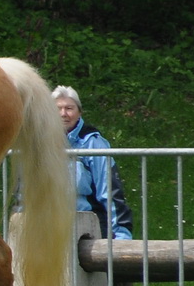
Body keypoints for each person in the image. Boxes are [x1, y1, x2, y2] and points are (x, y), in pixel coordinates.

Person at [54, 85, 134, 239]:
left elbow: (110, 192)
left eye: (69, 108)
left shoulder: (93, 143)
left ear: (79, 112)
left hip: (87, 228)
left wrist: (122, 236)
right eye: (58, 109)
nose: (63, 114)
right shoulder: (39, 144)